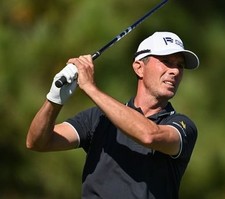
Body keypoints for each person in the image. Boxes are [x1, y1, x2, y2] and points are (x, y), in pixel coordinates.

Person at [26, 31, 200, 199]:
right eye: (166, 61)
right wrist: (54, 99)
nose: (175, 71)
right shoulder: (98, 118)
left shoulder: (182, 126)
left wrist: (90, 88)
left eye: (180, 65)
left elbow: (149, 136)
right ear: (139, 67)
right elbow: (37, 142)